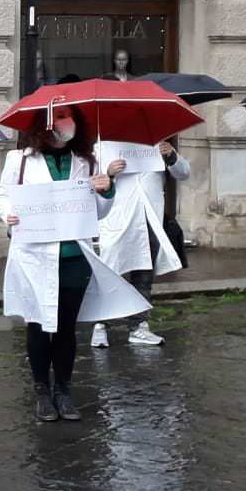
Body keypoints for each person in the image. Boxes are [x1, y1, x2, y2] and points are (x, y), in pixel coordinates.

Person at [0, 106, 145, 423]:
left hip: (74, 259)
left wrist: (107, 190)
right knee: (38, 326)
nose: (66, 123)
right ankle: (41, 391)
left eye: (70, 117)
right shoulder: (19, 160)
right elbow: (2, 196)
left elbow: (99, 213)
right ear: (44, 123)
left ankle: (63, 390)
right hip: (35, 256)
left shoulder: (87, 161)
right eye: (59, 117)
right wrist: (7, 214)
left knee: (66, 329)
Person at [91, 139, 190, 348]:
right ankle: (100, 325)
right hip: (118, 220)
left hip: (149, 219)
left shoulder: (157, 147)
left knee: (144, 275)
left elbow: (184, 173)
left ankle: (139, 326)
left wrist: (172, 156)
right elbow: (91, 182)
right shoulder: (104, 147)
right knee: (110, 273)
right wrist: (108, 173)